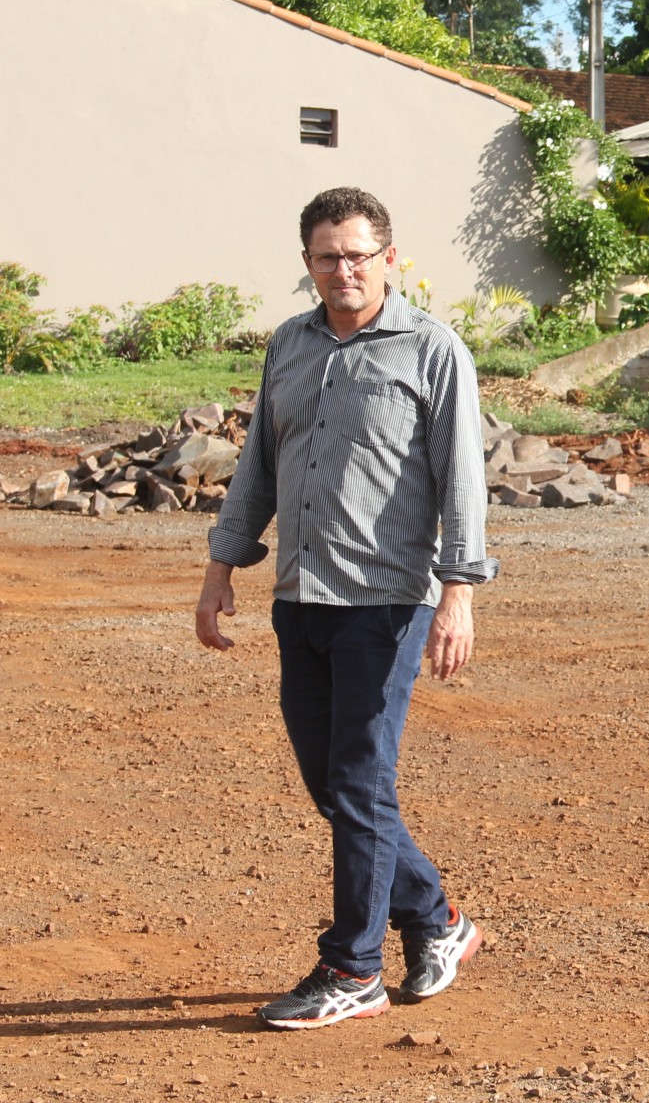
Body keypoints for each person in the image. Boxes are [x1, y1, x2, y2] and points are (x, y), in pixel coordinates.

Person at [194, 187, 496, 1030]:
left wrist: (458, 595)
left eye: (359, 254)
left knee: (361, 783)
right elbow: (259, 464)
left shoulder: (433, 350)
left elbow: (462, 484)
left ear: (390, 259)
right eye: (328, 255)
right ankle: (438, 921)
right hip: (302, 596)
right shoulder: (289, 346)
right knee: (333, 785)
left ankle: (353, 967)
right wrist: (222, 567)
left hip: (387, 602)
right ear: (308, 264)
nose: (344, 269)